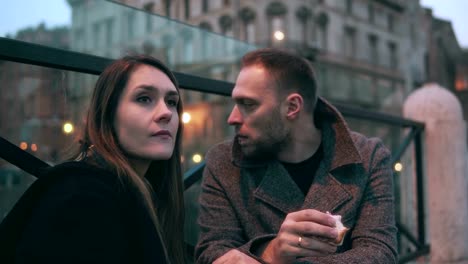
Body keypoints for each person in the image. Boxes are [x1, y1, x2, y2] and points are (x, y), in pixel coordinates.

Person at [195, 48, 397, 263]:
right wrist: (271, 251)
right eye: (235, 103)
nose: (232, 118)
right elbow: (212, 251)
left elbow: (380, 252)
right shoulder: (224, 160)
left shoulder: (368, 157)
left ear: (292, 107)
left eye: (248, 104)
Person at [0, 55, 186, 264]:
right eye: (144, 98)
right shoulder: (84, 198)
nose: (166, 113)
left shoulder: (138, 191)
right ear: (108, 114)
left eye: (171, 102)